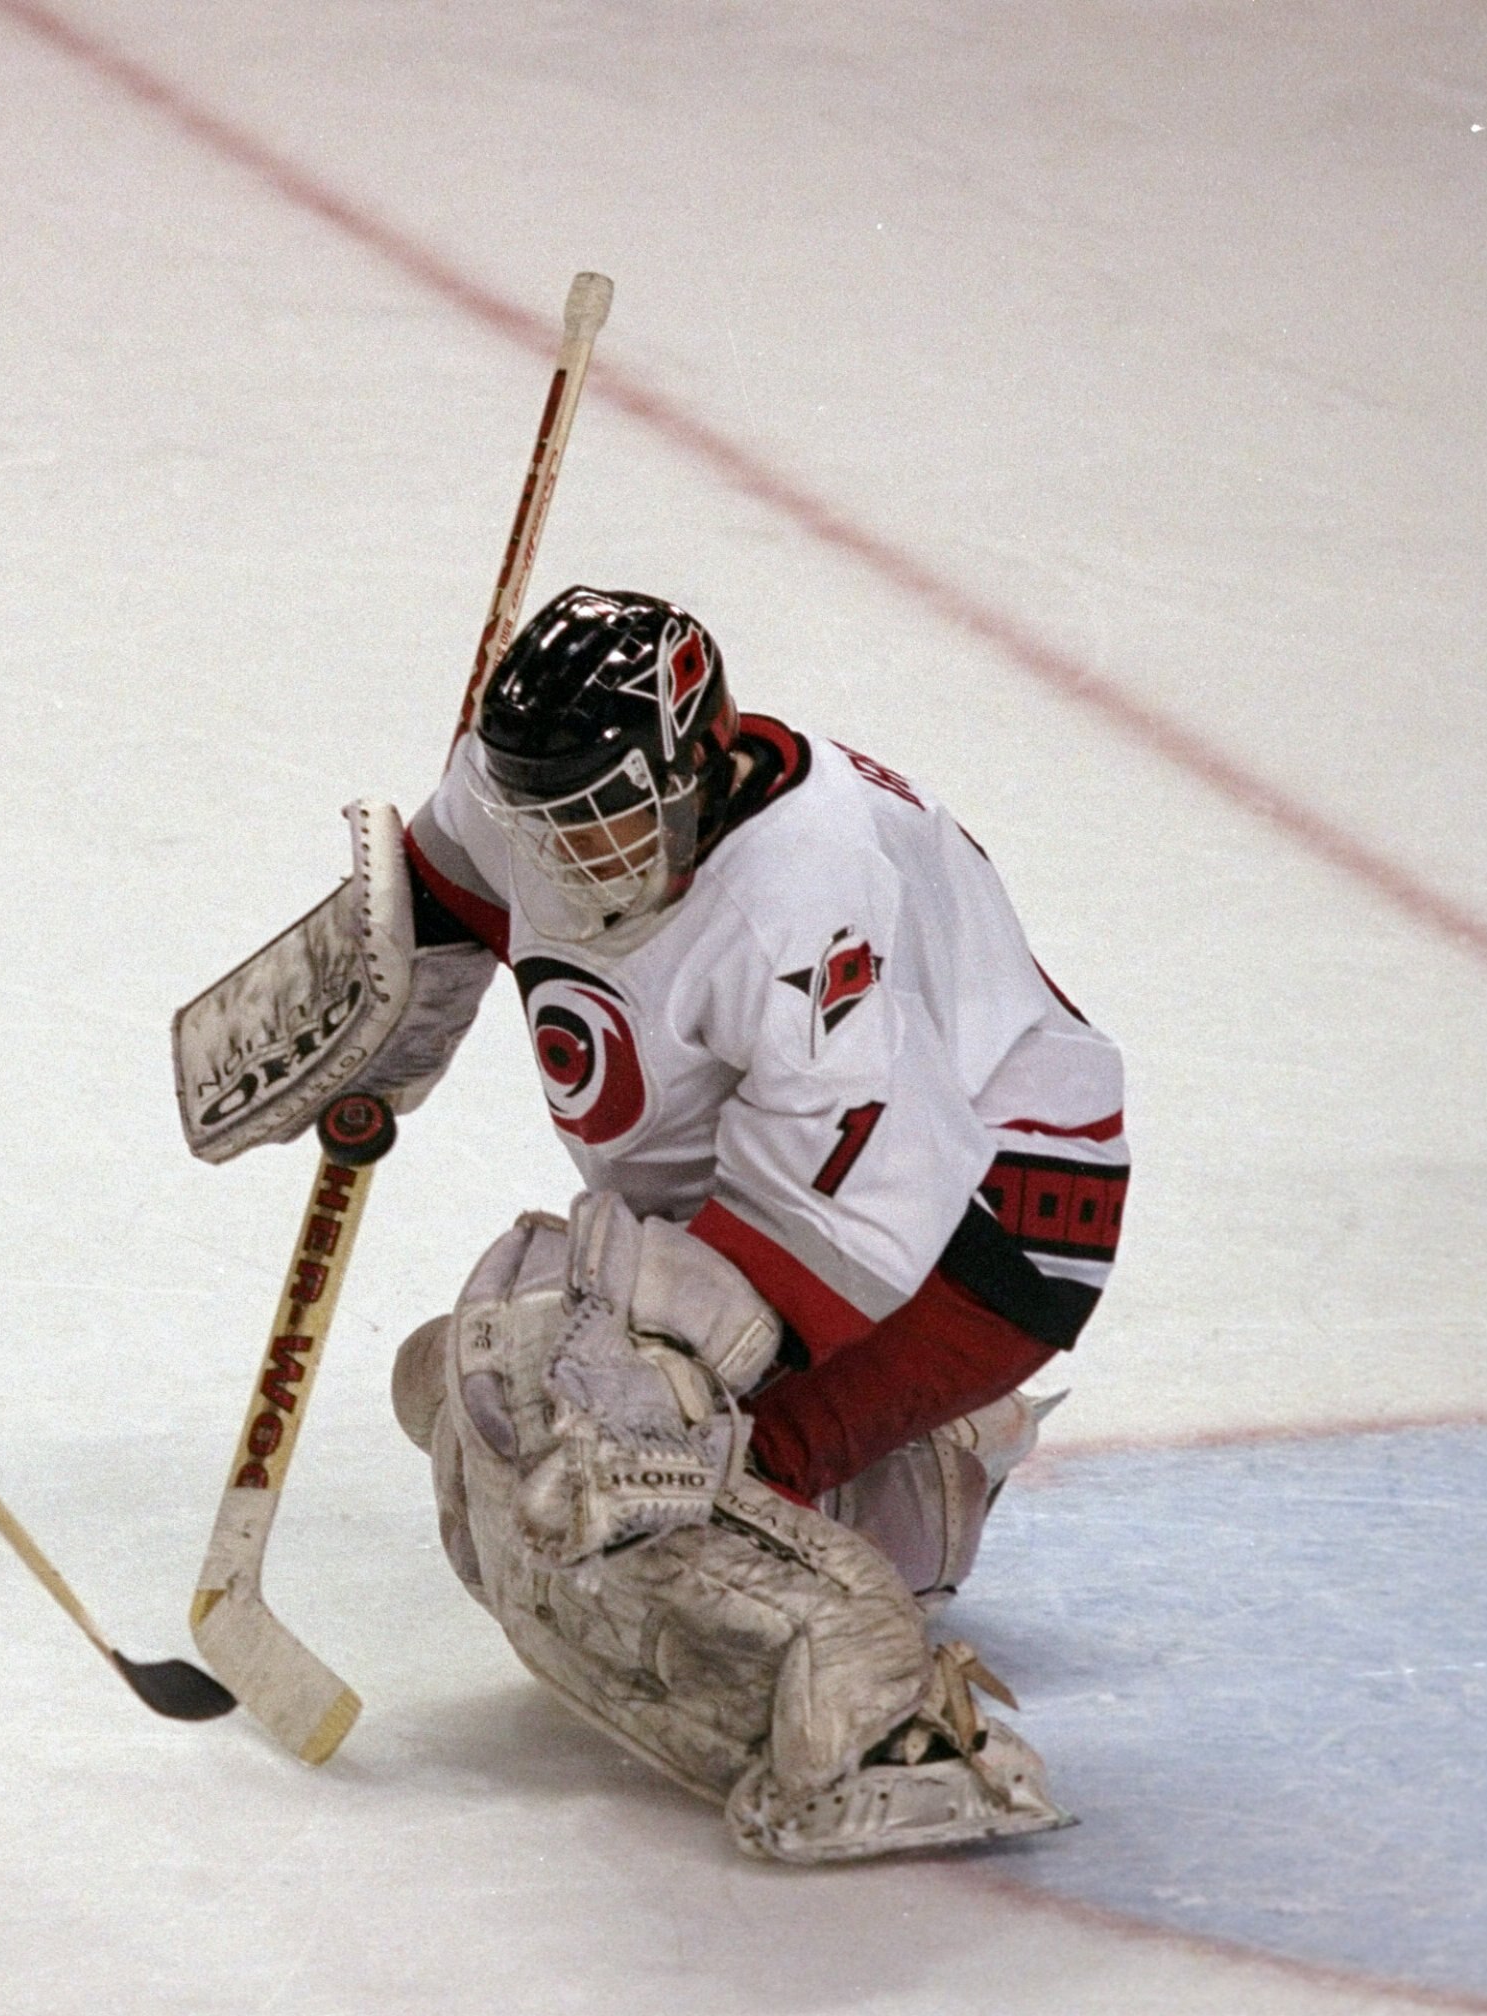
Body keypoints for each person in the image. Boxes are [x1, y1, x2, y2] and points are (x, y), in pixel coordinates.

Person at [349, 585, 1121, 1860]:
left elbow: (847, 1212)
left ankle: (888, 1716)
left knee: (609, 1433)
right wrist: (391, 984)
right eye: (540, 820)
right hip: (794, 1201)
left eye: (601, 818)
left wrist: (652, 1377)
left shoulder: (804, 894)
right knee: (478, 1390)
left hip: (976, 1227)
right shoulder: (541, 788)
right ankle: (900, 1476)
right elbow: (458, 877)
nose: (565, 855)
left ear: (695, 767)